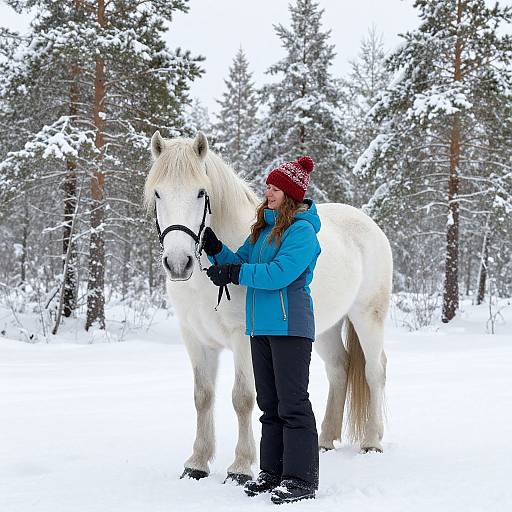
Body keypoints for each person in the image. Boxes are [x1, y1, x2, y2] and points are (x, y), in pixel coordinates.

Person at [202, 156, 321, 505]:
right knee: (269, 404)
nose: (267, 194)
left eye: (274, 189)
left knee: (293, 404)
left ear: (290, 194)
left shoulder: (302, 232)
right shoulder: (263, 230)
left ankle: (301, 479)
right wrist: (216, 250)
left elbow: (279, 273)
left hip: (291, 327)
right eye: (267, 187)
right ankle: (271, 473)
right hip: (260, 327)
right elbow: (241, 263)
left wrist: (236, 275)